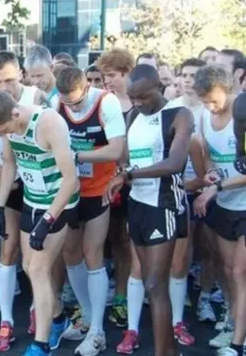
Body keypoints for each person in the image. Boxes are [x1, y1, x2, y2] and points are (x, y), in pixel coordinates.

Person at [0, 90, 79, 356]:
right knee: (28, 265)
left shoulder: (49, 123)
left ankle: (42, 343)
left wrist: (48, 219)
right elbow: (10, 164)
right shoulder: (7, 128)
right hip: (31, 199)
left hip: (59, 202)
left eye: (4, 129)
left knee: (38, 269)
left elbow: (70, 180)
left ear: (14, 113)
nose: (3, 134)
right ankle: (58, 319)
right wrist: (0, 208)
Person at [107, 64, 193, 356]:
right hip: (138, 205)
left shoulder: (179, 114)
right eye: (133, 97)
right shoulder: (133, 115)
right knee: (147, 281)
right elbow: (130, 158)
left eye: (143, 97)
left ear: (158, 87)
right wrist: (121, 173)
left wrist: (131, 175)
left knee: (157, 283)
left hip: (164, 205)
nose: (137, 103)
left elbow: (175, 164)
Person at [54, 66, 126, 355]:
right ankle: (86, 315)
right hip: (69, 190)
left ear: (85, 87)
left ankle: (97, 330)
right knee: (70, 253)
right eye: (66, 102)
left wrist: (74, 154)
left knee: (92, 253)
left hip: (98, 188)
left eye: (76, 102)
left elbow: (116, 149)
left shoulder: (105, 102)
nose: (71, 106)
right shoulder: (55, 103)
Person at [0, 50, 43, 350]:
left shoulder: (39, 98)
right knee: (7, 250)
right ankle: (6, 321)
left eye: (9, 79)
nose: (4, 87)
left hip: (42, 187)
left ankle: (39, 309)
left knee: (38, 257)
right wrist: (1, 182)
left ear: (21, 74)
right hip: (11, 184)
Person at [193, 65, 246, 354]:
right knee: (227, 270)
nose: (210, 107)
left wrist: (218, 187)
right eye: (204, 102)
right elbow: (210, 157)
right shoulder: (203, 116)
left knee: (240, 271)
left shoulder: (242, 114)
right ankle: (233, 318)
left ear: (228, 89)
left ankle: (240, 336)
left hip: (243, 205)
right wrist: (212, 173)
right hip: (224, 206)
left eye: (214, 101)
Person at [172, 58, 217, 326]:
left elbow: (213, 156)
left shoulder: (210, 111)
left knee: (209, 248)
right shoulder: (172, 109)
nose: (189, 80)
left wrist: (208, 187)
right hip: (180, 187)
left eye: (194, 75)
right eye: (185, 75)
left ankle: (206, 297)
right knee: (184, 245)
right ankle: (182, 292)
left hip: (209, 187)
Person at [96, 48, 135, 328]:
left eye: (111, 75)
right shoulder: (101, 102)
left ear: (126, 73)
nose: (107, 80)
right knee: (103, 242)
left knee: (123, 242)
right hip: (103, 180)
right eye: (103, 76)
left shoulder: (139, 103)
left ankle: (122, 296)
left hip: (134, 182)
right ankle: (101, 294)